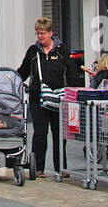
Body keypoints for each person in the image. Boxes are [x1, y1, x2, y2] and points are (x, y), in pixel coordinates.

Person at [17, 17, 82, 178]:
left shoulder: (62, 50)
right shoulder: (33, 51)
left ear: (51, 33)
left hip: (59, 97)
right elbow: (23, 71)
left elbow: (72, 71)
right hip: (37, 98)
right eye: (38, 33)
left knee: (59, 134)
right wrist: (11, 79)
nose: (40, 36)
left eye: (43, 33)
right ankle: (38, 168)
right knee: (40, 133)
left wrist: (75, 92)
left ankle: (61, 168)